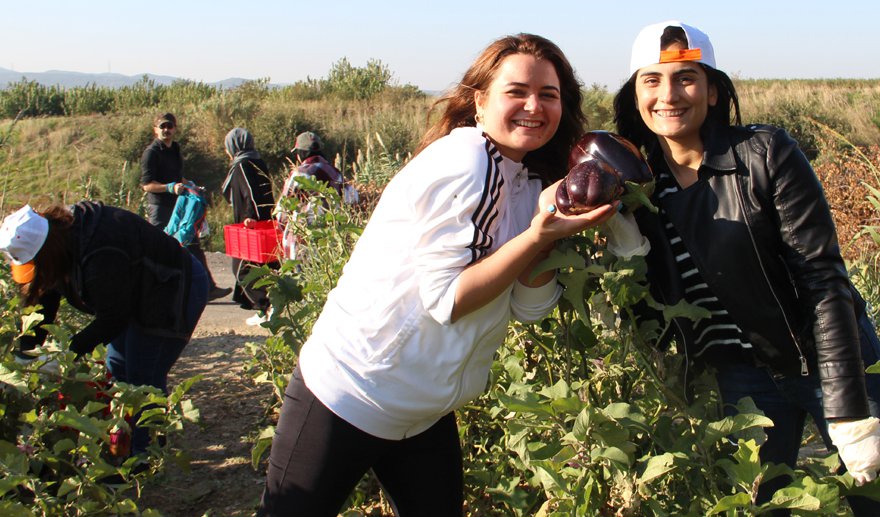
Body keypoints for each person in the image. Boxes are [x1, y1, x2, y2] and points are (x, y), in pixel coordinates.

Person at [257, 33, 617, 516]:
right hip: (349, 392)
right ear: (480, 100)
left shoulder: (528, 181)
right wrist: (535, 237)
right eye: (517, 91)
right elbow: (446, 300)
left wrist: (546, 231)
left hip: (422, 410)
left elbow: (530, 309)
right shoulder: (467, 161)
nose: (534, 105)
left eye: (549, 95)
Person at [610, 20, 880, 513]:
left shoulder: (763, 153)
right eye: (652, 80)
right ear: (634, 95)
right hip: (741, 378)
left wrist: (849, 408)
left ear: (713, 91)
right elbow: (646, 299)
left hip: (825, 359)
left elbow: (823, 278)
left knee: (871, 495)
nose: (668, 94)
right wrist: (627, 245)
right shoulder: (637, 186)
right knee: (758, 503)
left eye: (686, 78)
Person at [0, 202, 209, 456]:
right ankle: (123, 449)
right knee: (118, 371)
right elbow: (45, 296)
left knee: (142, 380)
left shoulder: (100, 252)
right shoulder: (59, 239)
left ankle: (146, 456)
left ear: (46, 251)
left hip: (173, 288)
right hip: (136, 290)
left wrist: (67, 353)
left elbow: (113, 319)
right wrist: (27, 352)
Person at [140, 112, 231, 301]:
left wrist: (190, 185)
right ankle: (153, 292)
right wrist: (169, 188)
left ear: (175, 128)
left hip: (180, 206)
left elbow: (177, 176)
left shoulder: (175, 149)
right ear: (155, 129)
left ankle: (208, 288)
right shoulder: (151, 153)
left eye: (169, 126)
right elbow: (147, 185)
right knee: (159, 248)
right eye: (162, 126)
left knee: (192, 245)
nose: (166, 130)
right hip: (160, 207)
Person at [221, 127, 277, 326]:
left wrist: (252, 217)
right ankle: (265, 310)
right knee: (262, 265)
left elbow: (251, 192)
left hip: (250, 224)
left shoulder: (243, 165)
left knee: (242, 268)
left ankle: (266, 308)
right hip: (263, 221)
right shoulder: (257, 161)